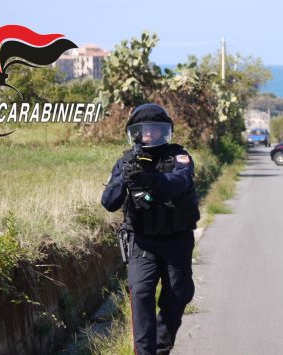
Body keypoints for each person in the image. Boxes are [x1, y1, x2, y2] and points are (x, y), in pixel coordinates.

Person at [101, 103, 200, 355]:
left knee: (180, 293)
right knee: (141, 295)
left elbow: (180, 181)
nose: (149, 134)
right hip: (142, 242)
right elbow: (109, 202)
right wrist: (125, 176)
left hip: (177, 241)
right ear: (134, 132)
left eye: (154, 129)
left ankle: (161, 346)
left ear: (164, 131)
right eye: (143, 130)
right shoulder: (126, 160)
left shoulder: (179, 156)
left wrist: (149, 180)